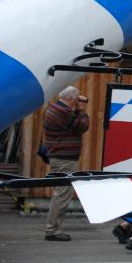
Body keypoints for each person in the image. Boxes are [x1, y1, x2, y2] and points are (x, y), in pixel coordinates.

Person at [43, 86, 90, 241]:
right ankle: (52, 230)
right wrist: (82, 109)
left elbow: (71, 124)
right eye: (76, 100)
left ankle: (53, 228)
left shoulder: (55, 109)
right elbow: (82, 125)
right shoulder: (63, 112)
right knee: (62, 195)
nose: (77, 102)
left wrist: (75, 110)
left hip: (59, 157)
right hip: (65, 160)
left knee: (60, 193)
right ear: (71, 98)